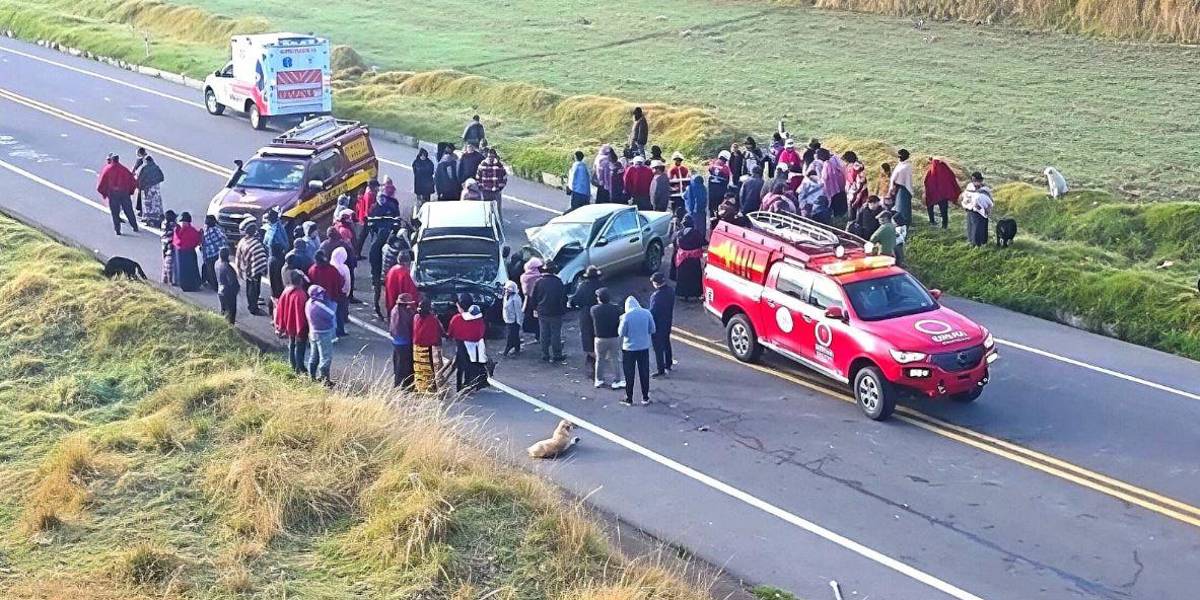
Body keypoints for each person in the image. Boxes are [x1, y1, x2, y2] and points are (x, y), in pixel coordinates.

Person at [618, 296, 655, 406]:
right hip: (643, 347)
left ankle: (629, 398)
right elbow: (652, 329)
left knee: (629, 373)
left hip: (629, 349)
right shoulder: (647, 313)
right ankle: (645, 397)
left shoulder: (626, 316)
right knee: (644, 372)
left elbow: (621, 333)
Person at [274, 270, 309, 374]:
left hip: (289, 324)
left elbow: (279, 308)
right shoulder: (300, 294)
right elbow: (302, 314)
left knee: (292, 344)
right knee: (300, 347)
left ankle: (293, 365)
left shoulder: (286, 291)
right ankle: (299, 367)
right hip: (299, 326)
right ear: (300, 281)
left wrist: (280, 325)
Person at [532, 261, 567, 363]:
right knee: (556, 334)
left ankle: (545, 354)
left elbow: (533, 298)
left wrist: (535, 308)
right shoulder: (558, 282)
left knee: (544, 333)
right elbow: (563, 297)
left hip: (542, 312)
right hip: (556, 311)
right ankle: (557, 355)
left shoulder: (538, 282)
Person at [449, 303, 488, 392]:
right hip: (472, 346)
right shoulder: (479, 321)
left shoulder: (457, 318)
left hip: (460, 344)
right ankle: (467, 384)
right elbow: (481, 334)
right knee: (469, 365)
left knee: (460, 367)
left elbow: (450, 332)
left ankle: (459, 386)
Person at [97, 153, 138, 236]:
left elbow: (101, 184)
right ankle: (134, 226)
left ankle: (117, 230)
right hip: (124, 193)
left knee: (115, 213)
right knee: (129, 210)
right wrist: (130, 191)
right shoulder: (124, 169)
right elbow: (133, 181)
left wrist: (105, 193)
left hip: (113, 194)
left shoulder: (107, 169)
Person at [305, 284, 337, 386]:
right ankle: (325, 380)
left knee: (314, 356)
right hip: (323, 333)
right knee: (326, 357)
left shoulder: (308, 303)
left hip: (312, 332)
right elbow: (331, 313)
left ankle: (312, 377)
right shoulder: (319, 305)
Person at [591, 287, 623, 389]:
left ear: (599, 298)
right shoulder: (616, 308)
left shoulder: (594, 309)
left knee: (600, 359)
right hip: (614, 337)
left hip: (600, 338)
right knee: (615, 359)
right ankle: (617, 380)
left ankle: (599, 380)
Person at [570, 266, 603, 364]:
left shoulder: (583, 286)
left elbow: (575, 300)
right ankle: (599, 351)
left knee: (587, 332)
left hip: (586, 312)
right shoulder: (601, 285)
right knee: (598, 331)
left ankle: (590, 354)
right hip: (599, 312)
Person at [235, 218, 268, 315]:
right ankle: (253, 308)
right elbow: (261, 257)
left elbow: (238, 257)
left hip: (247, 270)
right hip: (255, 271)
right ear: (253, 232)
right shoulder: (256, 243)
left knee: (250, 288)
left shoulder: (242, 241)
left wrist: (241, 270)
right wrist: (263, 269)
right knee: (254, 290)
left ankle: (251, 305)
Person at [411, 298, 445, 393]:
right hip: (428, 348)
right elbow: (440, 332)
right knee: (431, 368)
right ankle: (431, 389)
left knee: (419, 368)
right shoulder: (433, 319)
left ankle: (420, 387)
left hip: (416, 348)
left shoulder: (416, 317)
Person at [648, 273, 675, 377]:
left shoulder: (656, 296)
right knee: (666, 342)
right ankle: (668, 363)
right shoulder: (670, 291)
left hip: (657, 325)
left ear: (656, 283)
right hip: (667, 322)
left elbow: (653, 312)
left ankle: (660, 369)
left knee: (658, 348)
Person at [923, 158, 961, 229]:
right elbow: (952, 178)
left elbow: (926, 182)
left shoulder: (930, 171)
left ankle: (932, 221)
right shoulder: (945, 171)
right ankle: (944, 225)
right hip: (943, 195)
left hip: (933, 194)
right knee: (944, 210)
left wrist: (927, 191)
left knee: (930, 205)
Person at [674, 216, 705, 300]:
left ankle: (683, 294)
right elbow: (703, 242)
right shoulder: (696, 233)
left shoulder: (679, 233)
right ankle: (695, 294)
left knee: (683, 277)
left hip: (682, 259)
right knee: (694, 277)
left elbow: (675, 243)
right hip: (693, 259)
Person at [389, 292, 417, 389]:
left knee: (398, 364)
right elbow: (410, 325)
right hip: (405, 342)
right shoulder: (404, 313)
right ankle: (405, 386)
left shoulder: (395, 310)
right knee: (405, 366)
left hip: (396, 342)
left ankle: (397, 384)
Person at [961, 171, 994, 247]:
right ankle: (973, 243)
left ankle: (980, 243)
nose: (975, 182)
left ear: (980, 180)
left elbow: (989, 201)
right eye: (973, 180)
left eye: (976, 180)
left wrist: (987, 208)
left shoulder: (985, 190)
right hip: (971, 210)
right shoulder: (969, 187)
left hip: (982, 211)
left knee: (979, 228)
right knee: (972, 227)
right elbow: (966, 197)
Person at [262, 208, 290, 299]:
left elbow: (268, 243)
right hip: (276, 255)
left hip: (275, 256)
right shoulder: (276, 227)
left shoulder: (275, 231)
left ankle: (276, 297)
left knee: (275, 279)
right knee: (276, 279)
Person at [172, 212, 202, 292]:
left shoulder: (177, 229)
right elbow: (197, 239)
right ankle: (192, 286)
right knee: (191, 270)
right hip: (189, 253)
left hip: (179, 253)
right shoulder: (191, 230)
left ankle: (180, 283)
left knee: (180, 269)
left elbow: (176, 241)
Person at [135, 154, 165, 228]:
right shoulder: (156, 167)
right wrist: (155, 182)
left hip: (147, 189)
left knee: (148, 205)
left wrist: (140, 187)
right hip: (156, 189)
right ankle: (157, 217)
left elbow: (140, 179)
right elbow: (162, 177)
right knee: (156, 204)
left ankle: (149, 219)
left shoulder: (144, 168)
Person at [476, 147, 508, 213]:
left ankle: (498, 220)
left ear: (495, 156)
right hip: (486, 191)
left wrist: (500, 187)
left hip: (496, 191)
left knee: (497, 210)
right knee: (486, 210)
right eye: (489, 156)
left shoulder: (499, 165)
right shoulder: (483, 164)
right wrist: (481, 187)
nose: (491, 158)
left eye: (492, 156)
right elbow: (478, 177)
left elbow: (504, 177)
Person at [816, 149, 847, 217]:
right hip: (841, 185)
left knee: (836, 203)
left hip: (833, 188)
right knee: (842, 200)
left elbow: (825, 178)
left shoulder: (827, 164)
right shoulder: (835, 159)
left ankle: (838, 216)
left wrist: (819, 181)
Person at [330, 247, 352, 337]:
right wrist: (347, 292)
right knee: (340, 312)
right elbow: (347, 282)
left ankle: (333, 330)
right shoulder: (344, 268)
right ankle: (340, 330)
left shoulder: (331, 266)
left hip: (332, 293)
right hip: (341, 293)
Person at [520, 257, 544, 342]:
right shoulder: (539, 277)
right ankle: (539, 335)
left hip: (528, 300)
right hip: (538, 300)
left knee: (531, 318)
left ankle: (536, 335)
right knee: (538, 319)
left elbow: (525, 291)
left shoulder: (524, 277)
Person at [200, 214, 227, 291]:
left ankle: (214, 286)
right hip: (215, 253)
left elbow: (204, 242)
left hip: (210, 254)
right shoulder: (216, 230)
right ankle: (212, 283)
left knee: (211, 270)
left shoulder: (210, 230)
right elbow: (223, 239)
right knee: (211, 269)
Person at [890, 149, 915, 227]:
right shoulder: (900, 165)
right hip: (898, 187)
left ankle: (904, 224)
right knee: (898, 206)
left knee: (902, 207)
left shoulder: (906, 166)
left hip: (903, 188)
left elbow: (905, 179)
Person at [215, 247, 239, 325]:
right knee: (231, 311)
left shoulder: (217, 264)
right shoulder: (227, 267)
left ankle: (223, 324)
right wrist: (236, 290)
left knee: (223, 310)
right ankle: (230, 326)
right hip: (228, 292)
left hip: (220, 290)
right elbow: (232, 281)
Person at [706, 151, 733, 215]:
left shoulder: (712, 165)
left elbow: (708, 175)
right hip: (720, 191)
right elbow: (728, 180)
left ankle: (711, 217)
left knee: (711, 207)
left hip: (711, 190)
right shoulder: (726, 168)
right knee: (719, 208)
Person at [502, 281, 523, 356]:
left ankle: (506, 350)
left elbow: (518, 311)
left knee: (510, 336)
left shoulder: (516, 299)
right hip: (507, 319)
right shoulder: (506, 296)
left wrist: (519, 322)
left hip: (514, 321)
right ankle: (517, 348)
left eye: (508, 290)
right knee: (515, 335)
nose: (506, 291)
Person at [845, 156, 869, 220]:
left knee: (857, 208)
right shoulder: (858, 172)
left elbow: (860, 187)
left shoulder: (860, 174)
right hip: (856, 192)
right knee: (855, 207)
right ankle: (854, 220)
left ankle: (855, 221)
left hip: (857, 193)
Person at [160, 212, 177, 285]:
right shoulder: (172, 225)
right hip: (170, 245)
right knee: (169, 262)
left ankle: (164, 278)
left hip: (164, 244)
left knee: (165, 261)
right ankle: (170, 280)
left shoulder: (163, 223)